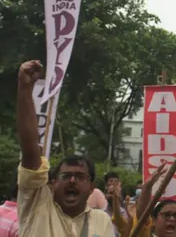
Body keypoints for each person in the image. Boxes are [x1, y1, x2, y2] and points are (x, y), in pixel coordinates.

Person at [16, 60, 114, 236]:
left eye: (80, 176)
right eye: (66, 176)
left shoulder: (102, 220)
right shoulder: (37, 205)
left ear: (92, 187)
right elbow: (30, 151)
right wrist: (25, 88)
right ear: (53, 183)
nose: (72, 181)